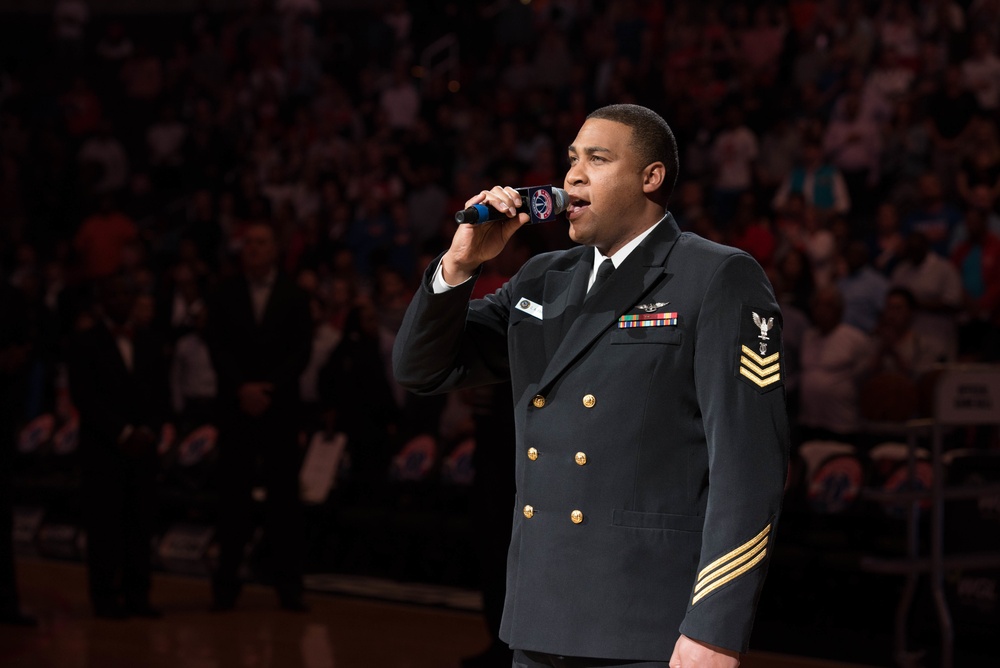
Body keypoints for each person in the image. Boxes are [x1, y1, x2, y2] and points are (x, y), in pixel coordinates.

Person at [393, 105, 789, 667]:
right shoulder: (542, 277)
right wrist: (459, 265)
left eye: (597, 160)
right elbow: (422, 369)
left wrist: (715, 629)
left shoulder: (715, 276)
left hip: (650, 626)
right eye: (572, 160)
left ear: (651, 177)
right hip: (539, 618)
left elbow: (749, 468)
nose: (572, 175)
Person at [205, 222, 313, 612]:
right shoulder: (223, 294)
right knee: (231, 498)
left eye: (260, 242)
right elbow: (215, 347)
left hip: (279, 408)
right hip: (237, 408)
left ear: (275, 250)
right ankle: (226, 584)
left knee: (283, 501)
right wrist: (243, 388)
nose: (252, 248)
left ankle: (288, 586)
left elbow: (301, 352)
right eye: (248, 242)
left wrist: (267, 388)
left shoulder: (295, 295)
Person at [66, 273, 168, 619]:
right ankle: (105, 597)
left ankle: (139, 594)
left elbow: (161, 394)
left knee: (140, 523)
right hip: (104, 448)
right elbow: (85, 397)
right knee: (105, 525)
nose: (123, 300)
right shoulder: (84, 342)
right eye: (115, 294)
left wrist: (149, 431)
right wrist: (123, 432)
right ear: (102, 300)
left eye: (128, 293)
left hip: (143, 447)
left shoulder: (152, 341)